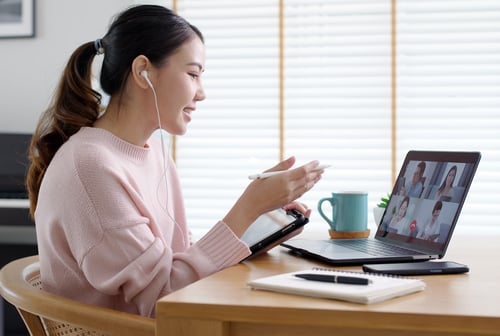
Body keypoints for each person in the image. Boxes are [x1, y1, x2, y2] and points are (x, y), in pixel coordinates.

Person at [25, 5, 324, 318]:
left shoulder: (153, 151)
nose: (201, 93)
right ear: (144, 72)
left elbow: (177, 260)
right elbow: (163, 300)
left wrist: (256, 225)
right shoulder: (90, 166)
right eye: (192, 74)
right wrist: (247, 207)